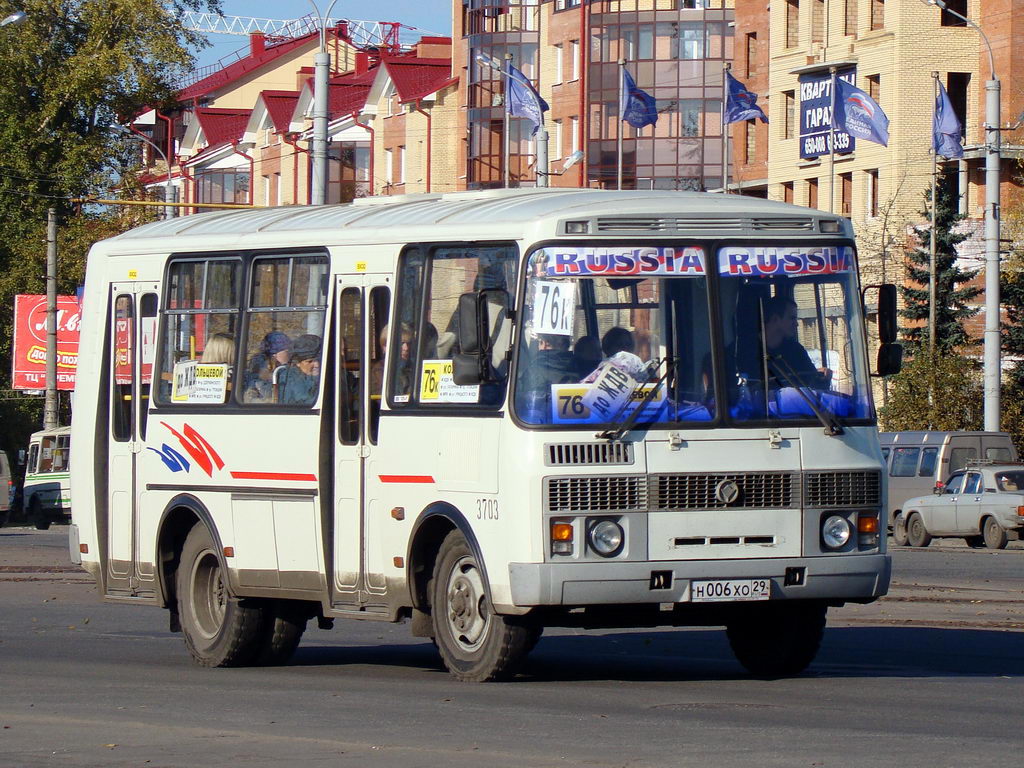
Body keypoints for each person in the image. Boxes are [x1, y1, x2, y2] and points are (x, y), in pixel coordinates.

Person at [759, 296, 831, 390]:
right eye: (792, 318)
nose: (797, 324)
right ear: (775, 319)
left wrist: (823, 378)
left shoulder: (796, 350)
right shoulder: (744, 351)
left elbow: (813, 387)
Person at [243, 331, 291, 403]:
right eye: (287, 351)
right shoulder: (258, 376)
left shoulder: (286, 370)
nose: (290, 355)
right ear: (275, 355)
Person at [277, 334, 322, 405]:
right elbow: (306, 402)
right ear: (298, 363)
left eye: (319, 360)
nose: (317, 365)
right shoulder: (290, 378)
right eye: (310, 361)